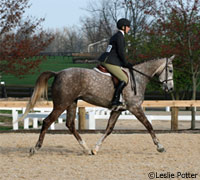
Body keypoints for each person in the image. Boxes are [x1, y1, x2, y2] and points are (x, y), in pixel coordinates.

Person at [98, 18, 132, 107]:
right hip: (110, 61)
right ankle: (115, 100)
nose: (129, 28)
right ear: (123, 27)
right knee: (124, 79)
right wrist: (125, 63)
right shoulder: (120, 36)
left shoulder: (116, 35)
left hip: (108, 59)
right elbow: (120, 52)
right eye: (128, 26)